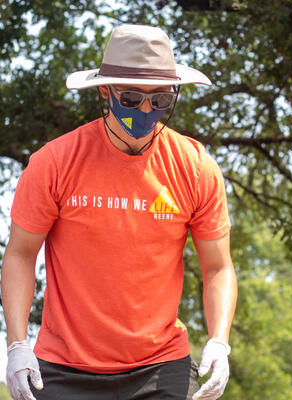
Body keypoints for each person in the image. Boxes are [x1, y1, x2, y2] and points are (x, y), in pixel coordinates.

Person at [1, 24, 237, 400]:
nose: (146, 111)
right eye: (131, 98)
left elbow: (219, 267)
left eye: (159, 100)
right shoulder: (55, 162)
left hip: (161, 366)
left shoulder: (194, 168)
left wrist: (219, 343)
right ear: (104, 91)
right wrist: (16, 345)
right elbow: (20, 253)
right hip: (63, 369)